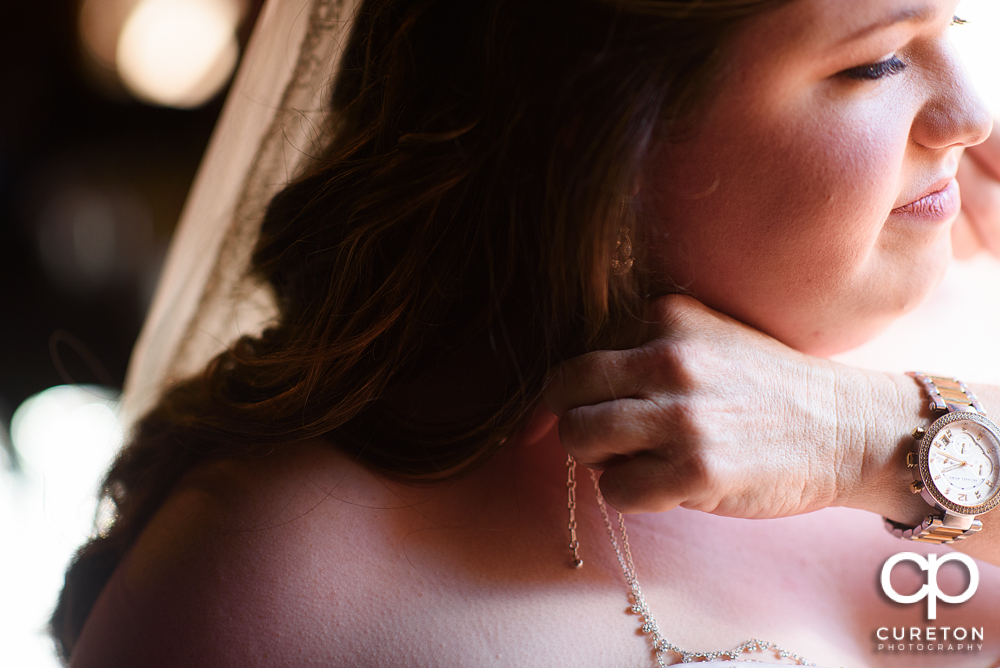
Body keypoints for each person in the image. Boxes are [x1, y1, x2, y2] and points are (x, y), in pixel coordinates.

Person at [50, 0, 1000, 665]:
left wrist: (885, 439)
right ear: (595, 145)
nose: (975, 115)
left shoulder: (965, 284)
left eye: (954, 20)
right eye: (874, 60)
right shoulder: (270, 583)